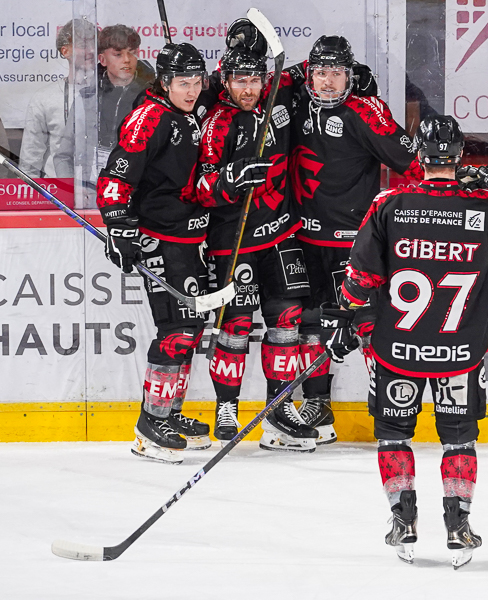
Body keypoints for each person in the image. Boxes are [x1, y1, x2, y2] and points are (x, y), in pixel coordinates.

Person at [327, 115, 488, 568]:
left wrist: (348, 318)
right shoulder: (482, 204)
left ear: (418, 156)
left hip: (395, 349)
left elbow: (359, 278)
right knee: (459, 442)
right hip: (459, 353)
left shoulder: (390, 202)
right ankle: (458, 524)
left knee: (392, 436)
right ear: (460, 154)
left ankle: (402, 518)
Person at [288, 35, 423, 446]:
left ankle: (386, 405)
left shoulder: (366, 110)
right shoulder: (294, 101)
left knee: (366, 323)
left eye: (337, 73)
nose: (327, 82)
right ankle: (318, 405)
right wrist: (296, 71)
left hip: (354, 242)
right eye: (319, 73)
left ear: (351, 76)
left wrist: (416, 217)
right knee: (313, 322)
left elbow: (412, 161)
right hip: (303, 235)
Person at [195, 34, 320, 452]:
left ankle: (279, 408)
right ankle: (226, 405)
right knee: (235, 327)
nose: (248, 89)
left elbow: (314, 70)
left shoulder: (279, 89)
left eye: (254, 80)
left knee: (287, 322)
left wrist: (355, 75)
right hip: (235, 242)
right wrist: (230, 179)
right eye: (239, 81)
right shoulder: (217, 122)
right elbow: (201, 184)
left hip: (281, 233)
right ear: (226, 80)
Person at [96, 43, 212, 464]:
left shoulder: (185, 111)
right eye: (183, 83)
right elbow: (113, 179)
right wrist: (121, 229)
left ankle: (169, 414)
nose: (193, 90)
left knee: (191, 329)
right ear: (164, 82)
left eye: (197, 82)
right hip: (160, 238)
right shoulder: (150, 118)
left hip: (186, 237)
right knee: (177, 329)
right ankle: (151, 423)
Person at [54, 24, 155, 180]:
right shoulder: (87, 98)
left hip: (134, 193)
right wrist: (73, 190)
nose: (127, 60)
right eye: (118, 54)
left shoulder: (151, 100)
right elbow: (63, 156)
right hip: (90, 193)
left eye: (132, 53)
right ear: (102, 59)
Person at [20, 18, 96, 178]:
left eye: (94, 44)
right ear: (65, 51)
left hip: (103, 194)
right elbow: (30, 162)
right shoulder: (44, 98)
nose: (91, 50)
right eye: (83, 45)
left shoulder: (112, 96)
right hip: (58, 195)